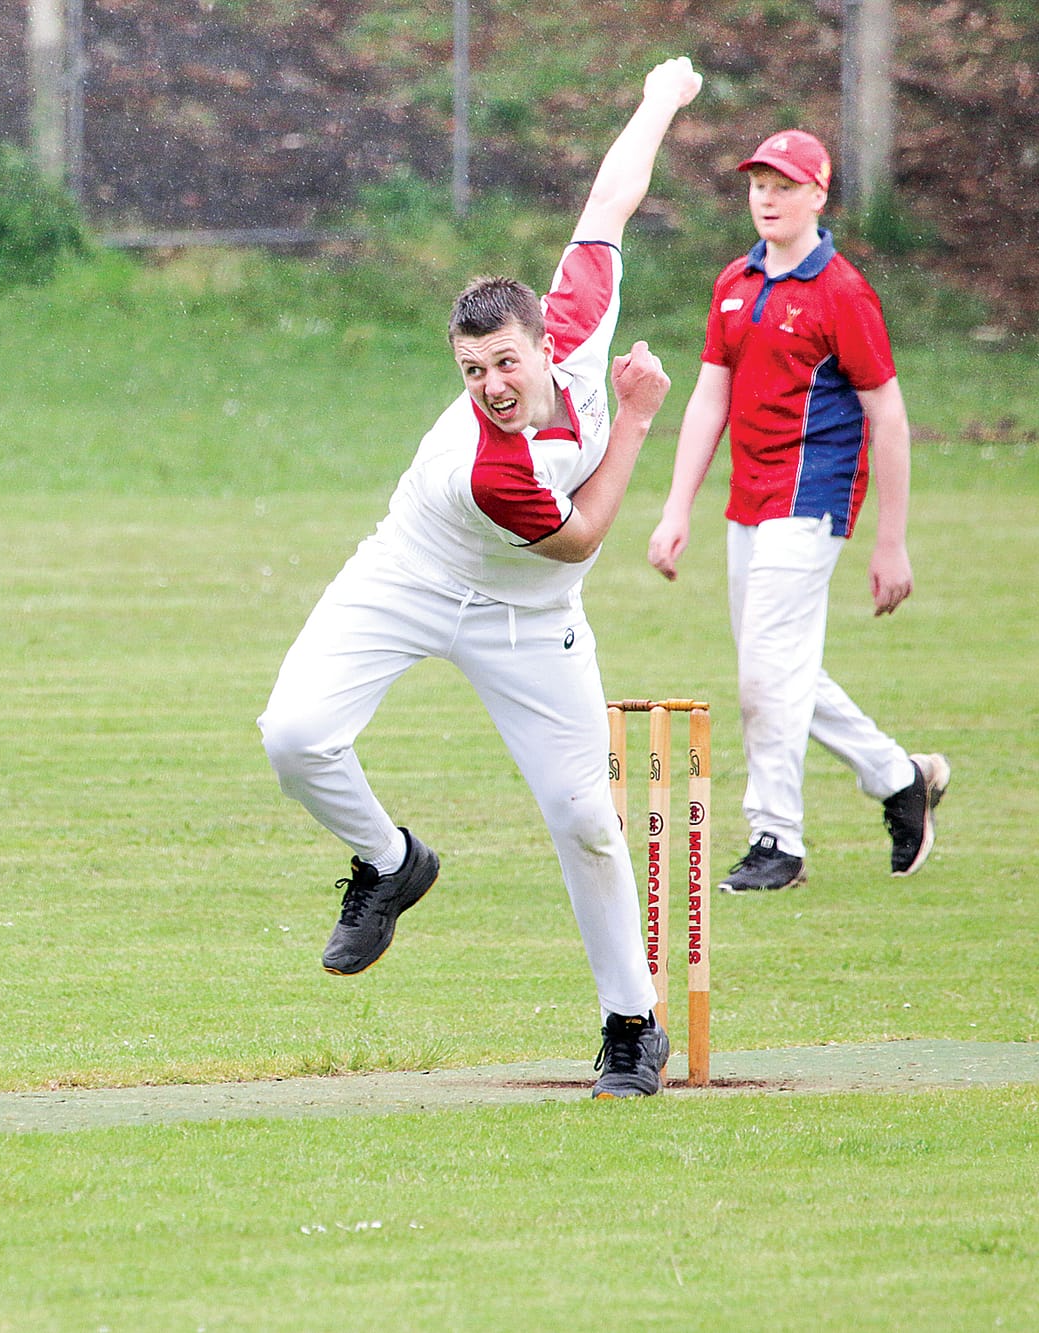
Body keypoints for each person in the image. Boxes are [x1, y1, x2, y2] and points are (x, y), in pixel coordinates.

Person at [259, 58, 702, 1098]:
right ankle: (386, 861)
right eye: (470, 373)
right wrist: (638, 418)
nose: (493, 387)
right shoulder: (485, 464)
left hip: (527, 616)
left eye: (505, 363)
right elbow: (584, 533)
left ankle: (630, 1024)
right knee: (293, 736)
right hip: (410, 573)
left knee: (582, 814)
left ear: (545, 340)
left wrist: (655, 100)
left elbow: (609, 198)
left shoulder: (580, 312)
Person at [646, 130, 949, 892]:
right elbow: (711, 394)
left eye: (783, 184)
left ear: (818, 195)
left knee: (764, 678)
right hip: (747, 501)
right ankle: (898, 776)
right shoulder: (734, 283)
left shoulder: (843, 290)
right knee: (779, 669)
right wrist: (676, 506)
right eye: (757, 183)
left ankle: (776, 839)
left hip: (812, 502)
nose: (767, 197)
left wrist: (892, 543)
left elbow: (889, 415)